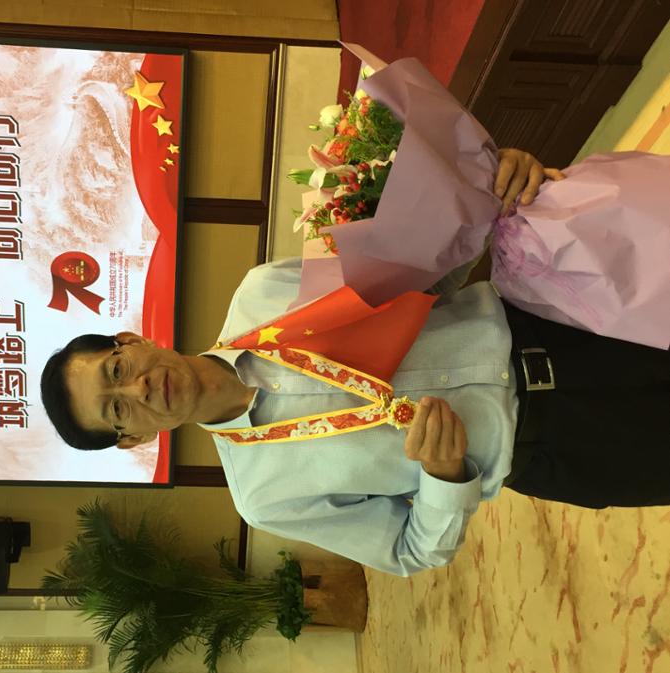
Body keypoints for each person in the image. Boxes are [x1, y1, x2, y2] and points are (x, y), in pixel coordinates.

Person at [40, 149, 670, 576]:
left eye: (117, 371)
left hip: (565, 320)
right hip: (564, 450)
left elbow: (426, 273)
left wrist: (495, 189)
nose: (141, 390)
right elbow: (409, 551)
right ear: (135, 438)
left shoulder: (264, 294)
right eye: (119, 411)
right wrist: (443, 477)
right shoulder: (264, 497)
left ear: (131, 341)